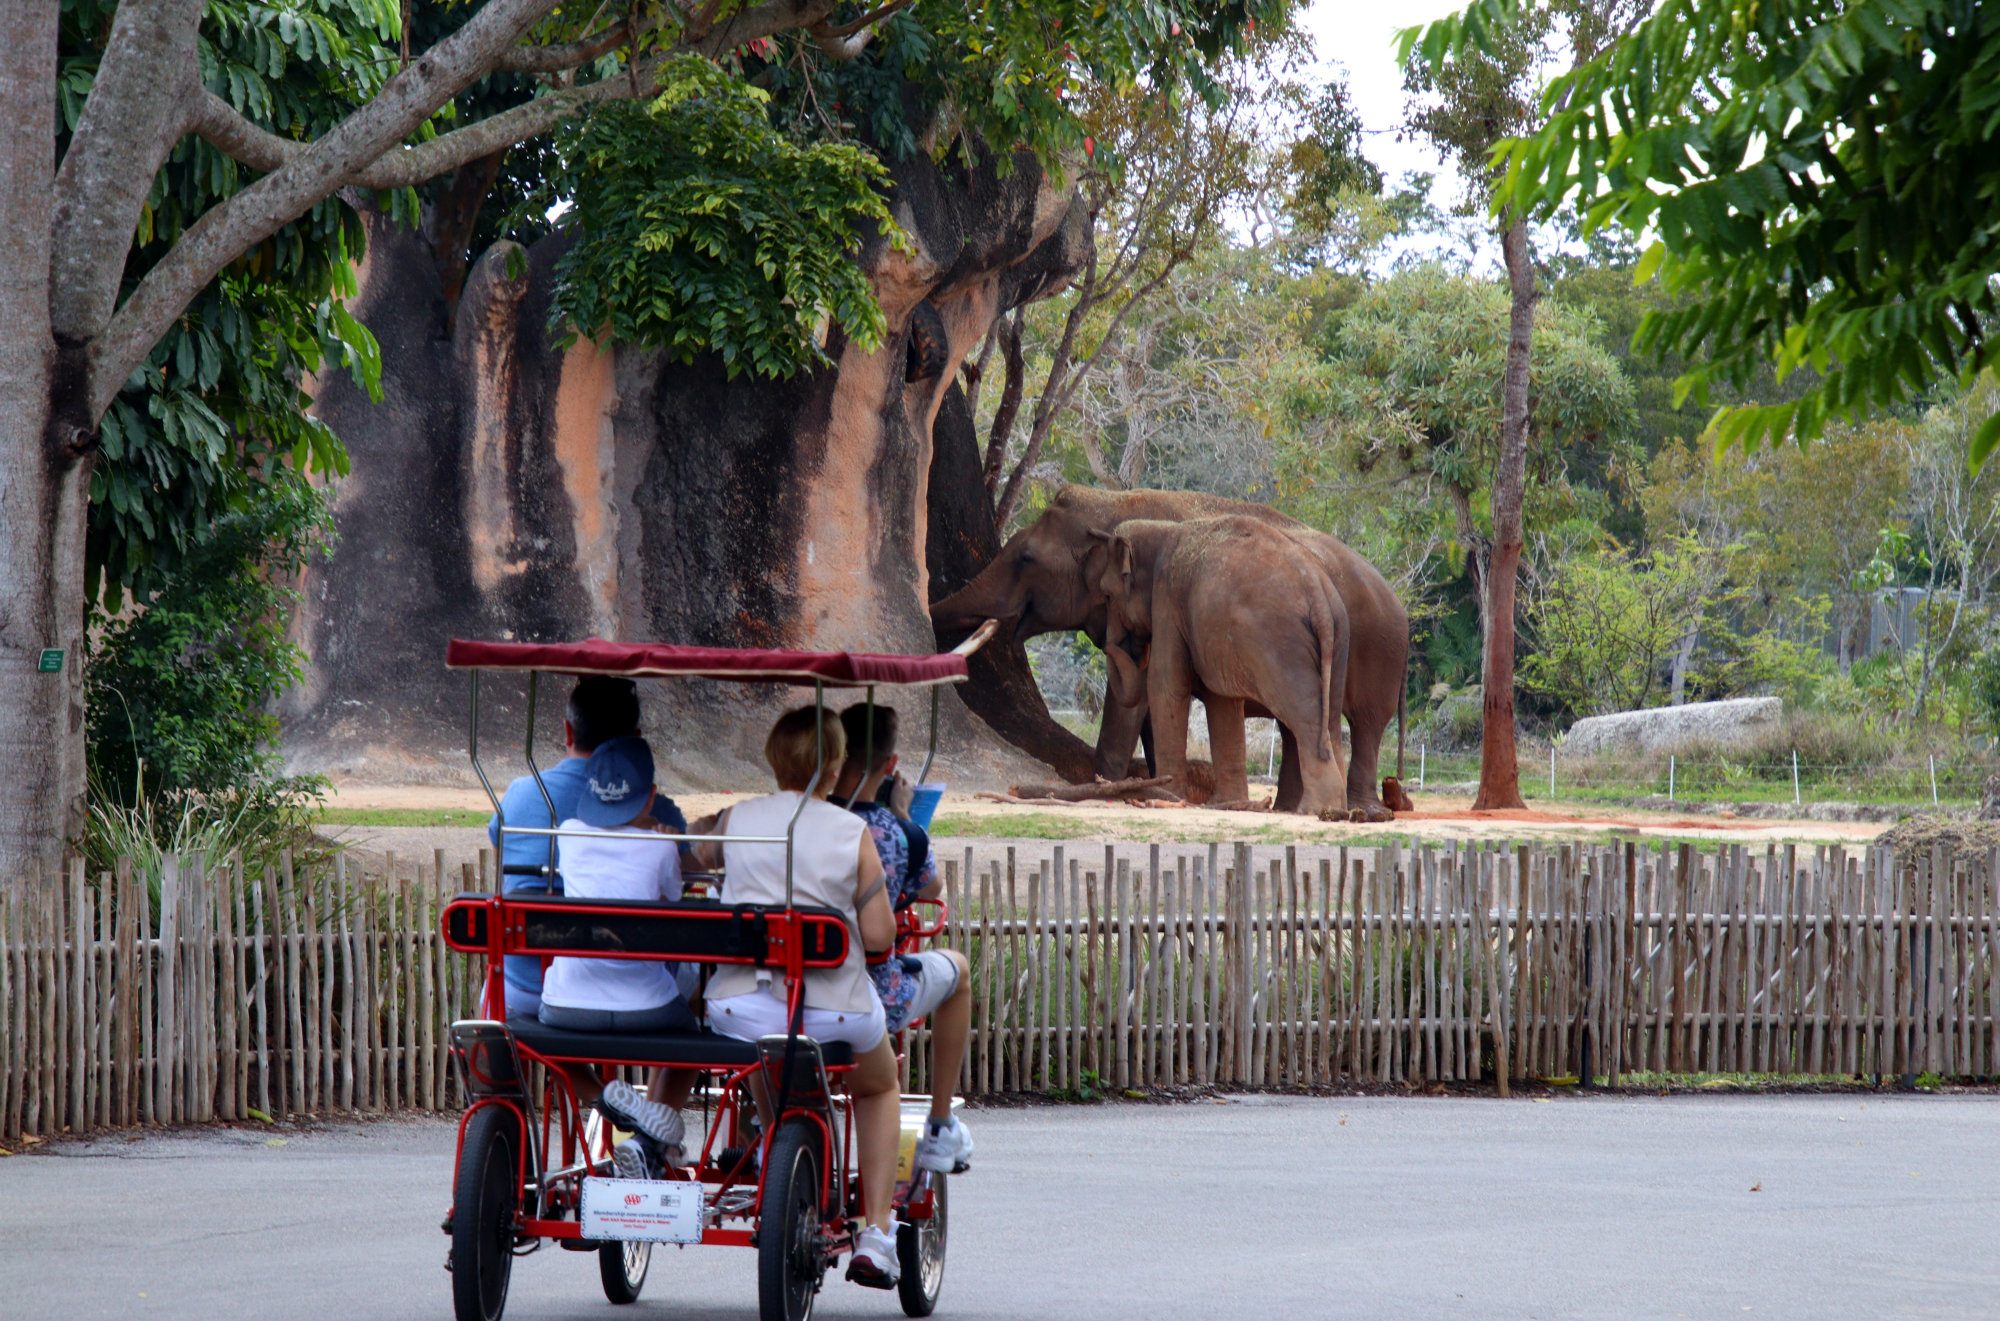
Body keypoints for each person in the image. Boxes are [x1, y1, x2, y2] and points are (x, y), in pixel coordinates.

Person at [702, 705, 907, 1289]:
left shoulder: (739, 819)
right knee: (878, 1084)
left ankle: (773, 1147)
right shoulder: (852, 832)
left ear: (772, 758)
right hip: (831, 1011)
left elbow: (688, 854)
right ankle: (875, 1230)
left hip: (741, 1005)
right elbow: (877, 937)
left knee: (765, 1044)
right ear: (837, 767)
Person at [534, 735, 698, 1181]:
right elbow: (673, 898)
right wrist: (662, 835)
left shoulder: (566, 834)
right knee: (696, 1026)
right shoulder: (660, 845)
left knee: (540, 1035)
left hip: (567, 1010)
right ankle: (651, 1134)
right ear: (650, 795)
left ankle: (602, 1096)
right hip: (650, 1011)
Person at [487, 676, 690, 1018]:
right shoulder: (658, 812)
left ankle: (581, 1076)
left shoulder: (520, 796)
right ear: (635, 741)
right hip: (632, 989)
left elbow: (501, 864)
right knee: (691, 989)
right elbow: (678, 883)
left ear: (568, 731)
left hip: (523, 982)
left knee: (496, 1000)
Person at [834, 702, 974, 1176]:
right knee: (958, 971)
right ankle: (939, 1125)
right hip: (871, 990)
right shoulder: (897, 833)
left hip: (788, 982)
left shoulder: (800, 820)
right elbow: (930, 888)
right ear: (890, 766)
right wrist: (904, 815)